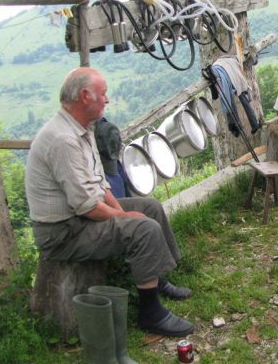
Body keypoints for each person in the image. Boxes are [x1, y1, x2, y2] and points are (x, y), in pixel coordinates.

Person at [25, 67, 194, 337]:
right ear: (85, 96)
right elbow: (87, 207)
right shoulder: (63, 140)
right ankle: (151, 313)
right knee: (144, 227)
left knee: (150, 208)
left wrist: (121, 212)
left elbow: (99, 184)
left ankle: (157, 277)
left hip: (80, 217)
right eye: (103, 94)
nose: (107, 99)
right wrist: (126, 220)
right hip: (63, 233)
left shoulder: (83, 127)